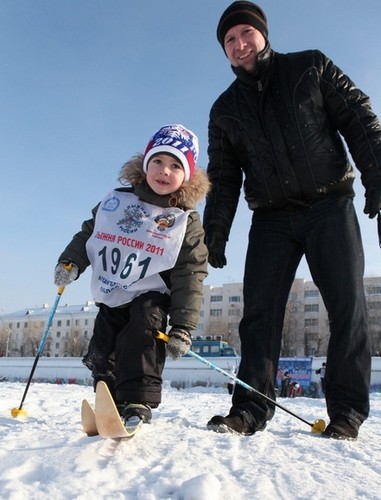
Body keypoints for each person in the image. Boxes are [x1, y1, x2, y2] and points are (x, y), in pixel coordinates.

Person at [203, 1, 381, 440]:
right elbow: (223, 178)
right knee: (259, 315)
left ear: (263, 33)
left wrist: (376, 175)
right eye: (229, 40)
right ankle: (249, 409)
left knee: (347, 306)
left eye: (246, 33)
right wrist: (217, 230)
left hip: (329, 205)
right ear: (224, 51)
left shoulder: (310, 68)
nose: (240, 45)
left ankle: (346, 412)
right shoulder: (224, 109)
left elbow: (359, 118)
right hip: (271, 219)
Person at [54, 124, 210, 427]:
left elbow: (190, 274)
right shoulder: (118, 201)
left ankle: (137, 400)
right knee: (103, 345)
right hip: (113, 288)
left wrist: (182, 327)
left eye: (175, 165)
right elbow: (91, 234)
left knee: (142, 333)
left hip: (152, 293)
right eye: (158, 162)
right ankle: (107, 396)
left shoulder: (183, 220)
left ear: (187, 175)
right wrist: (70, 262)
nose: (164, 171)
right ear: (146, 164)